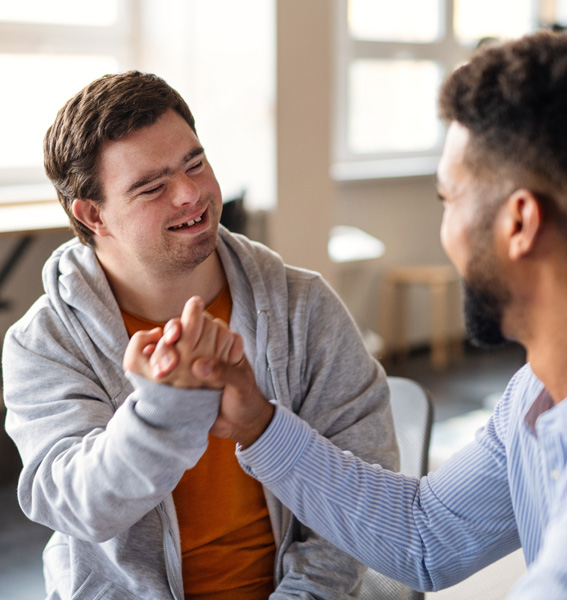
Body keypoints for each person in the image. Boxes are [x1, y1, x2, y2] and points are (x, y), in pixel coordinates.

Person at [135, 28, 567, 598]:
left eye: (447, 198)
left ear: (520, 223)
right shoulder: (536, 394)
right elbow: (426, 537)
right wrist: (257, 423)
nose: (444, 226)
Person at [1, 71, 399, 599]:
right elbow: (80, 505)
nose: (191, 194)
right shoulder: (44, 342)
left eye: (195, 163)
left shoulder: (303, 307)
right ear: (94, 214)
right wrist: (166, 411)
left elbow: (358, 497)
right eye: (152, 186)